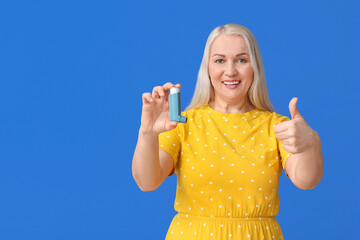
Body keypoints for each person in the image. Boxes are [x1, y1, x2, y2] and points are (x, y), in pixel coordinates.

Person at [132, 24, 323, 240]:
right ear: (208, 69)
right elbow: (147, 182)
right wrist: (148, 133)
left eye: (241, 60)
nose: (230, 70)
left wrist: (311, 144)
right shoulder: (182, 124)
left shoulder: (275, 126)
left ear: (255, 67)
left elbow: (307, 180)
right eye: (220, 60)